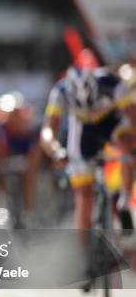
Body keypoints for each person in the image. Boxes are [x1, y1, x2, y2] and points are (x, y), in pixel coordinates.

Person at [41, 65, 136, 229]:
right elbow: (48, 130)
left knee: (126, 145)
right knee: (84, 193)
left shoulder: (112, 83)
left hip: (112, 121)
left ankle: (124, 203)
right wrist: (56, 151)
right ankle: (83, 249)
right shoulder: (60, 91)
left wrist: (130, 151)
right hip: (83, 127)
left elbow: (133, 117)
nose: (90, 108)